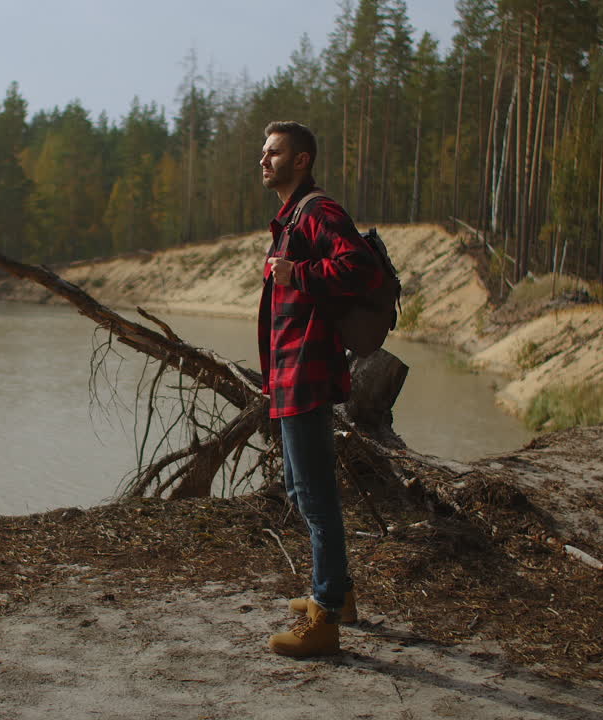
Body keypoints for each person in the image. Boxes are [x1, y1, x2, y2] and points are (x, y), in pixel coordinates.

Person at [258, 121, 382, 657]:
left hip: (306, 371)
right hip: (290, 374)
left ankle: (326, 615)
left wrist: (298, 274)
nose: (263, 160)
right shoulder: (292, 218)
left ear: (302, 160)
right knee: (302, 489)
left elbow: (361, 267)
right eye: (263, 152)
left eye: (274, 152)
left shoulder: (317, 211)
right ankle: (341, 594)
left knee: (314, 495)